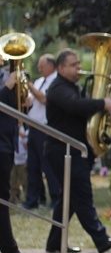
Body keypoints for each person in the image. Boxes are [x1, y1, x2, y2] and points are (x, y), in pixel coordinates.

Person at [44, 49, 111, 253]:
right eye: (73, 64)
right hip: (62, 150)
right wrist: (102, 103)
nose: (79, 67)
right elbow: (74, 106)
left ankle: (54, 241)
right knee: (82, 194)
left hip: (73, 149)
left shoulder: (73, 87)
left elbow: (84, 110)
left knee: (68, 198)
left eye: (78, 63)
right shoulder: (58, 88)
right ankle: (101, 239)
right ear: (60, 68)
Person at [0, 70, 34, 253]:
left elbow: (13, 112)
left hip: (6, 145)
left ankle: (11, 252)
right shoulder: (7, 82)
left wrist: (24, 102)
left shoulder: (7, 75)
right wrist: (7, 88)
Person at [23, 54, 60, 210]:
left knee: (47, 166)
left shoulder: (55, 81)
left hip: (45, 128)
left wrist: (28, 85)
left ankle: (56, 199)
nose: (39, 68)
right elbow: (30, 101)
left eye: (41, 66)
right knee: (33, 166)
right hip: (33, 127)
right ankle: (33, 199)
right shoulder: (39, 81)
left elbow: (44, 99)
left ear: (51, 66)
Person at [10, 123, 28, 204]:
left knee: (24, 181)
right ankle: (12, 198)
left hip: (22, 160)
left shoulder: (22, 130)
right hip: (13, 159)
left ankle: (26, 198)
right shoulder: (11, 128)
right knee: (12, 181)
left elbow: (25, 141)